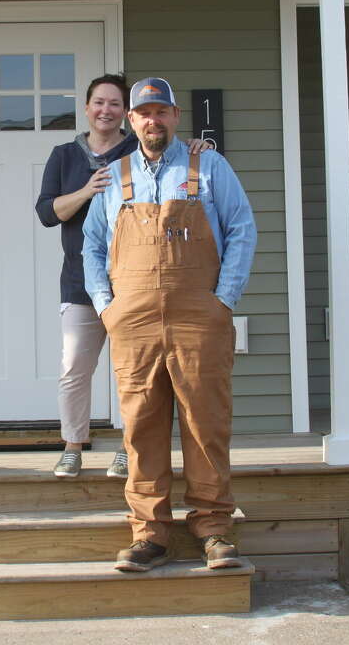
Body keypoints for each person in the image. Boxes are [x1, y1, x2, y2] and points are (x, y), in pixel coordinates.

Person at [81, 76, 256, 572]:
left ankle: (215, 530)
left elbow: (242, 229)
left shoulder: (210, 165)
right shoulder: (112, 177)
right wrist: (104, 305)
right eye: (144, 113)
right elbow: (92, 246)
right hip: (132, 319)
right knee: (141, 426)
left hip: (200, 315)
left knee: (206, 423)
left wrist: (225, 299)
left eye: (161, 111)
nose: (152, 120)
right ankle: (149, 535)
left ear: (175, 116)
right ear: (131, 121)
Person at [35, 74, 210, 480]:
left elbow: (176, 156)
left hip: (137, 283)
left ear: (125, 114)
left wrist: (199, 147)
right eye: (99, 102)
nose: (106, 110)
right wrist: (86, 191)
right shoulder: (65, 156)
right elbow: (47, 213)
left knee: (135, 371)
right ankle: (72, 446)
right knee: (74, 366)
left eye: (114, 103)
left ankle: (127, 448)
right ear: (87, 108)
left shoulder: (138, 148)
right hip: (81, 284)